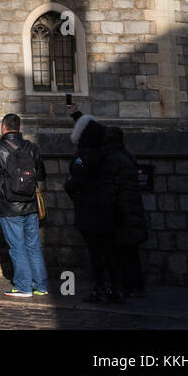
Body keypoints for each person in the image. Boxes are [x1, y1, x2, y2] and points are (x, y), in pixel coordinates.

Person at [0, 113, 49, 298]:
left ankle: (23, 287)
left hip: (9, 206)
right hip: (30, 205)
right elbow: (42, 174)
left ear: (3, 128)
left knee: (17, 247)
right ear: (19, 128)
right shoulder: (31, 147)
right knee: (33, 246)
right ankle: (41, 286)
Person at [65, 115, 121, 303]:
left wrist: (68, 186)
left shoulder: (83, 157)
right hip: (108, 209)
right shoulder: (108, 155)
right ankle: (116, 289)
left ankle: (100, 289)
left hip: (89, 209)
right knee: (110, 251)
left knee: (95, 253)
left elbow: (77, 180)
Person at [104, 126, 148, 298]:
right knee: (130, 252)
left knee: (120, 252)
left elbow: (112, 186)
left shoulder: (113, 158)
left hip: (121, 211)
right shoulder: (128, 155)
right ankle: (136, 286)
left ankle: (126, 286)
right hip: (131, 210)